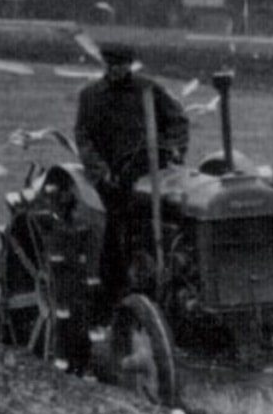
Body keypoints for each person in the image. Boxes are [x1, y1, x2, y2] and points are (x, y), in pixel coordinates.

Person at [74, 43, 189, 312]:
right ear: (105, 65)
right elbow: (84, 138)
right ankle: (111, 293)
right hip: (111, 177)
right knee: (112, 229)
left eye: (122, 65)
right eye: (112, 65)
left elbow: (179, 121)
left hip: (151, 171)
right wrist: (101, 172)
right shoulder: (91, 96)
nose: (117, 70)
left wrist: (173, 148)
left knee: (173, 215)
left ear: (130, 65)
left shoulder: (149, 90)